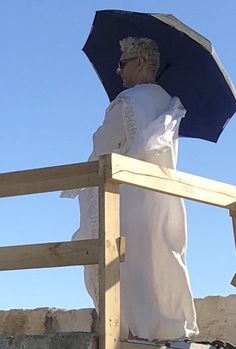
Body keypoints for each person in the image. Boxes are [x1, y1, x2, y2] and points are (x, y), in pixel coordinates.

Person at [61, 37, 199, 341]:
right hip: (161, 197)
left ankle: (125, 330)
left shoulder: (129, 100)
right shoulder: (169, 103)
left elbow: (103, 143)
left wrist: (100, 129)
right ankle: (162, 329)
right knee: (160, 258)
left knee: (123, 262)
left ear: (139, 62)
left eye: (123, 63)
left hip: (126, 199)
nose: (118, 71)